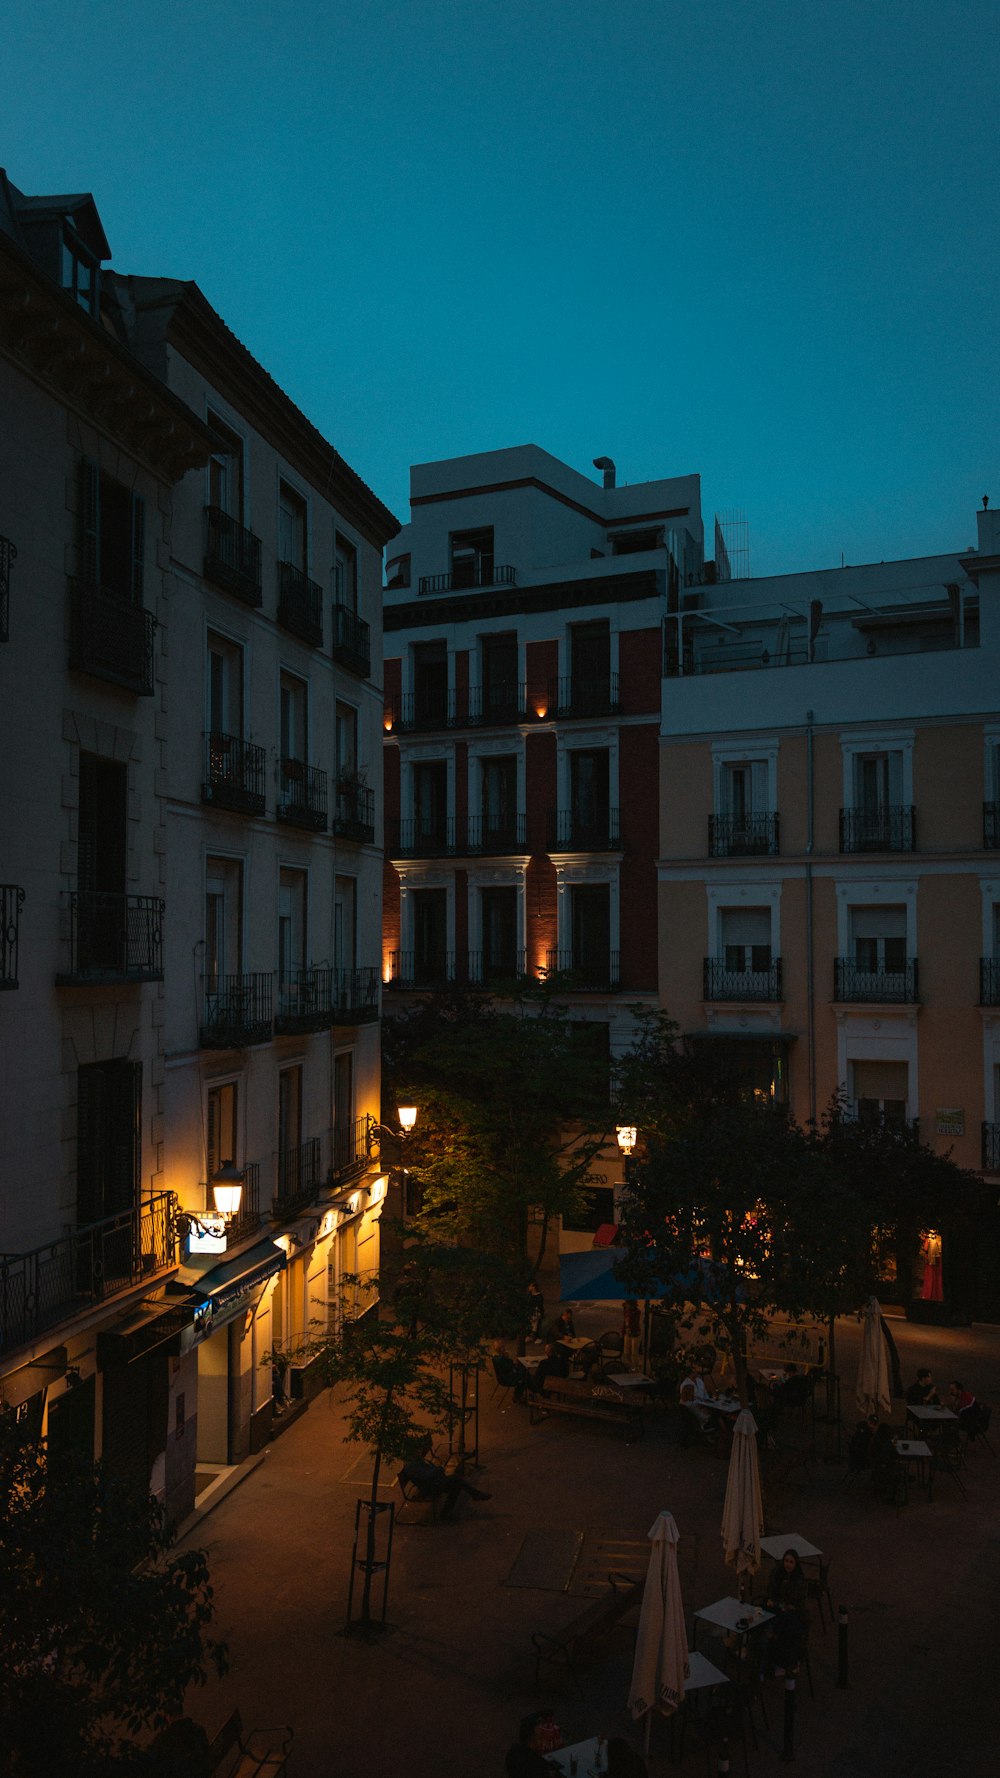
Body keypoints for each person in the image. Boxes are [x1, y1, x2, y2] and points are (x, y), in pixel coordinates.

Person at [398, 1442, 491, 1520]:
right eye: (417, 1450)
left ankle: (446, 1514)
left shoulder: (415, 1461)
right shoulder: (412, 1466)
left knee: (456, 1485)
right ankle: (475, 1495)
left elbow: (428, 1472)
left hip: (432, 1483)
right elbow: (426, 1476)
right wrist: (439, 1469)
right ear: (411, 1452)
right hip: (429, 1488)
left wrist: (437, 1469)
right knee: (455, 1479)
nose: (419, 1451)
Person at [764, 1549, 809, 1675]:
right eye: (786, 1561)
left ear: (796, 1564)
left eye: (791, 1562)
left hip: (794, 1616)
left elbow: (796, 1604)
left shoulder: (799, 1581)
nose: (788, 1564)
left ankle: (779, 1661)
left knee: (781, 1625)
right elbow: (772, 1591)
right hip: (779, 1610)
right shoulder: (778, 1574)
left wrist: (781, 1604)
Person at [622, 1299, 641, 1369]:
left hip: (635, 1334)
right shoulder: (626, 1310)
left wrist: (629, 1312)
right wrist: (623, 1332)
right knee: (626, 1352)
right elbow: (624, 1322)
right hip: (627, 1333)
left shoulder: (636, 1312)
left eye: (628, 1304)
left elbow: (634, 1323)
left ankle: (635, 1366)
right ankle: (630, 1365)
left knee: (634, 1353)